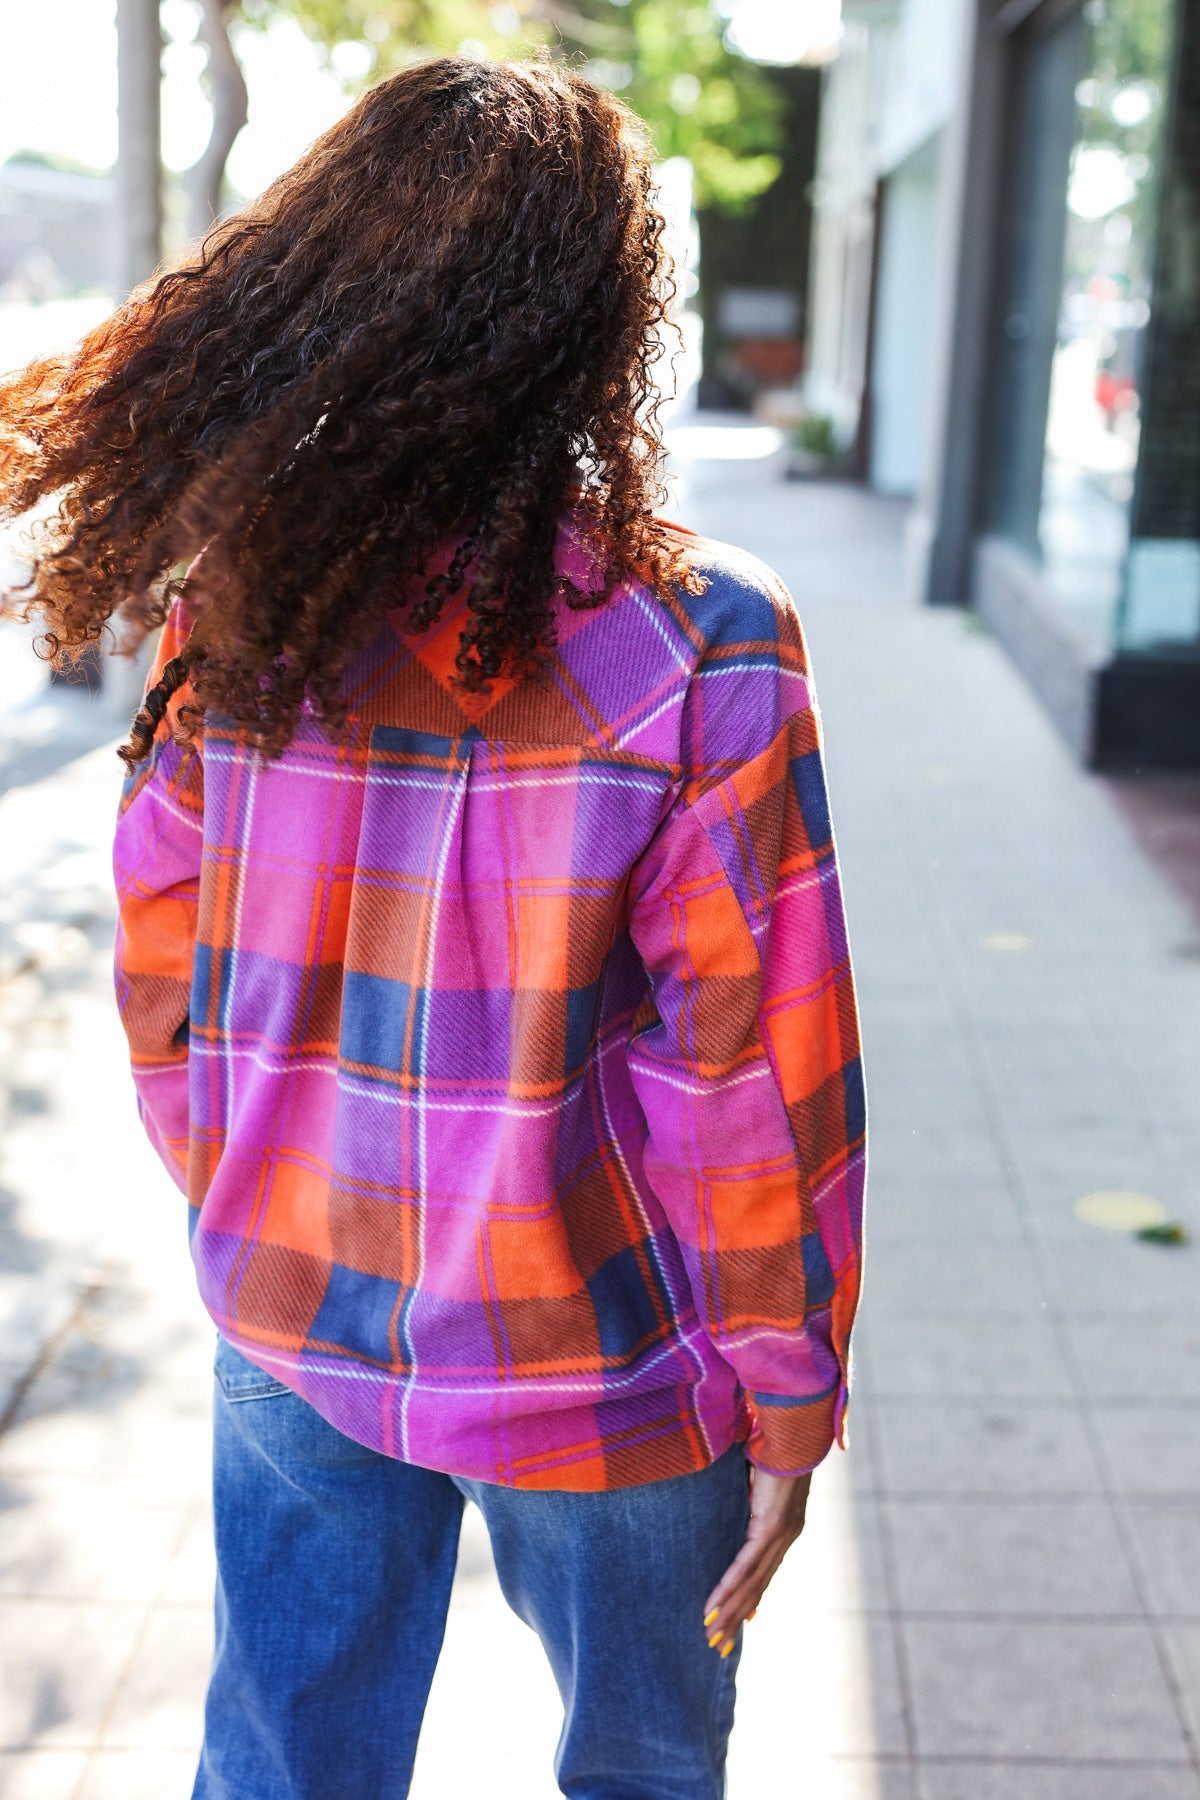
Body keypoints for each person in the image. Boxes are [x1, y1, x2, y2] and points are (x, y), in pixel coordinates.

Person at [0, 54, 867, 1800]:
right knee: (640, 1775)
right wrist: (790, 1384)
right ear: (596, 324)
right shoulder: (699, 644)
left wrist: (245, 1184)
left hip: (298, 1313)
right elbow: (752, 1072)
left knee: (284, 1765)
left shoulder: (241, 605)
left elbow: (164, 973)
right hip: (606, 1358)